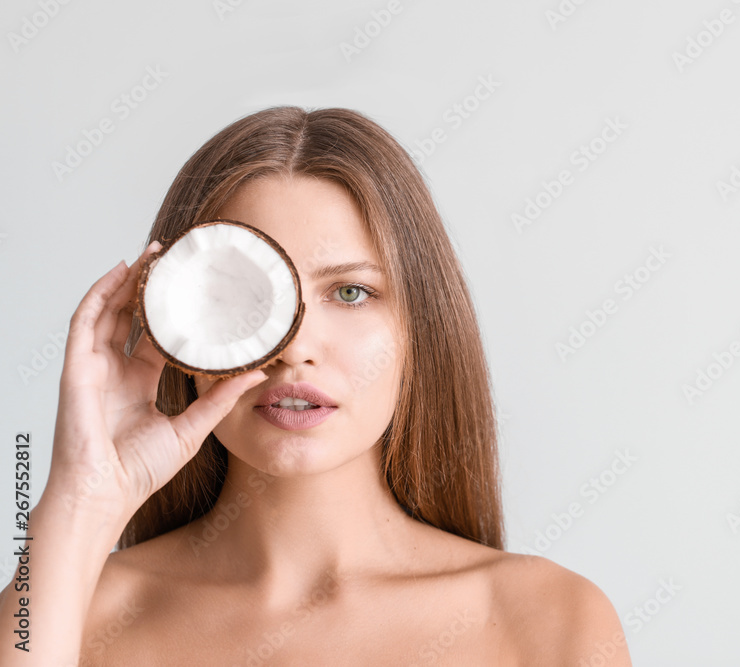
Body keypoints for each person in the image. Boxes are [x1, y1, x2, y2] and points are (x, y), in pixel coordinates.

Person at [0, 107, 632, 666]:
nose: (295, 348)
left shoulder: (550, 621)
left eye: (351, 293)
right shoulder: (69, 615)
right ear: (171, 324)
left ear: (421, 327)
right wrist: (80, 500)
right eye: (235, 294)